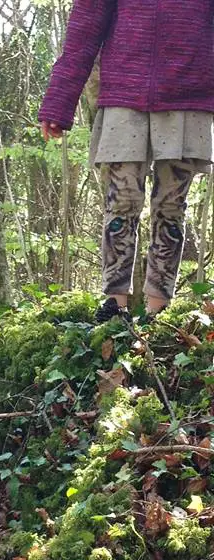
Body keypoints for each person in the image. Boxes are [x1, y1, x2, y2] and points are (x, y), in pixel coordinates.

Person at [39, 0, 214, 320]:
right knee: (122, 199)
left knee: (171, 205)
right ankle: (114, 305)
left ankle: (157, 309)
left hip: (189, 93)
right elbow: (84, 31)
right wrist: (58, 102)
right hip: (123, 92)